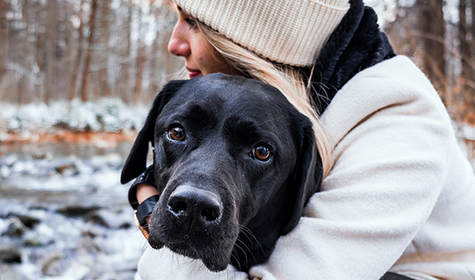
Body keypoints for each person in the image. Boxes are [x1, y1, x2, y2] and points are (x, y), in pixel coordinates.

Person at [126, 0, 475, 279]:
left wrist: (152, 211)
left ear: (253, 37)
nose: (174, 43)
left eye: (196, 23)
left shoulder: (401, 122)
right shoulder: (272, 102)